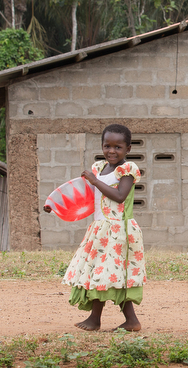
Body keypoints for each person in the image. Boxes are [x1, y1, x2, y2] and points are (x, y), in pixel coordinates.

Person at [44, 124, 146, 331]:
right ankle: (126, 321)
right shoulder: (98, 168)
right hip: (100, 229)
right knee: (104, 273)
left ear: (128, 149)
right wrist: (56, 205)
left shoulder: (127, 170)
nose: (111, 151)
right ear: (102, 146)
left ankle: (99, 319)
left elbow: (119, 196)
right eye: (107, 146)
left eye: (118, 147)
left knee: (108, 274)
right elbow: (84, 196)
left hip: (118, 230)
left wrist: (93, 180)